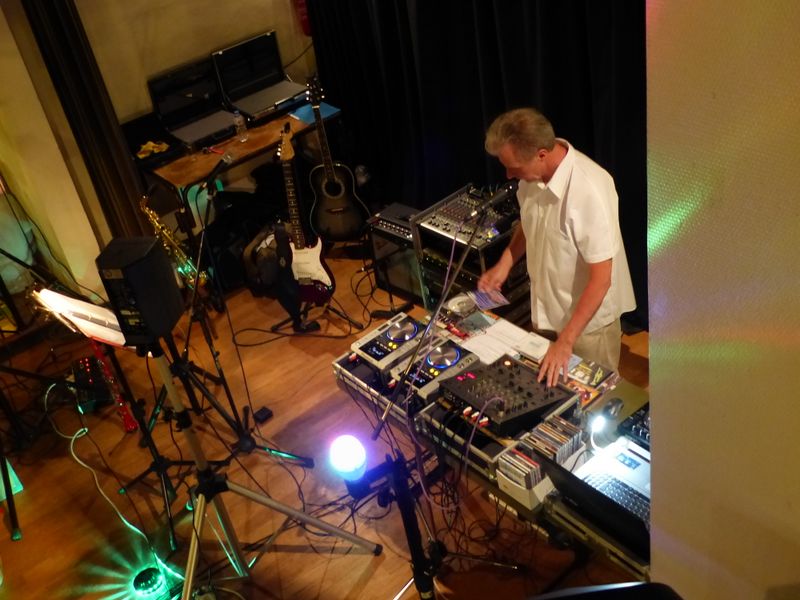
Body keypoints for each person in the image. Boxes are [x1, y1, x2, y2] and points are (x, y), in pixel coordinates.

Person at [478, 108, 635, 386]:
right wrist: (506, 261)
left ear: (541, 154)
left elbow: (602, 279)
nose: (509, 174)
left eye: (514, 167)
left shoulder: (589, 190)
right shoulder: (531, 178)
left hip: (587, 328)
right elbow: (530, 221)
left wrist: (566, 341)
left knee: (593, 398)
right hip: (548, 313)